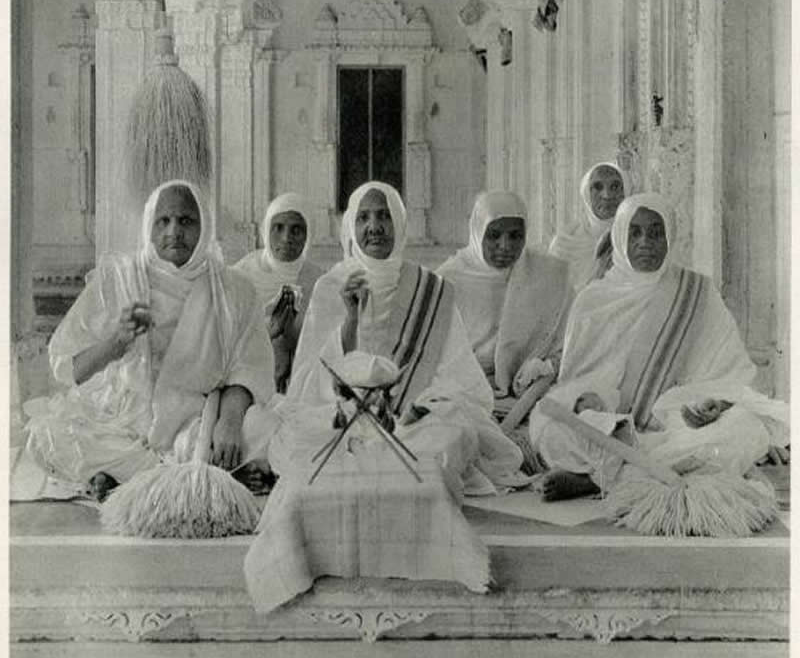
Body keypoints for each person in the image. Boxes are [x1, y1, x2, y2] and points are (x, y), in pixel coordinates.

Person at [23, 180, 278, 501]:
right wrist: (115, 343)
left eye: (186, 221)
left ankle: (128, 479)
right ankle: (196, 477)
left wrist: (228, 421)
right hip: (119, 420)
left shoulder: (234, 290)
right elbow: (68, 368)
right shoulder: (117, 279)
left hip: (195, 419)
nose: (174, 231)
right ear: (149, 225)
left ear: (205, 227)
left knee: (268, 430)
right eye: (164, 221)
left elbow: (249, 368)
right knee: (47, 436)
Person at [271, 181, 527, 496]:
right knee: (289, 435)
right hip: (346, 412)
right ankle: (390, 469)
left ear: (400, 222)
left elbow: (461, 379)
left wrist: (424, 403)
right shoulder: (331, 286)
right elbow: (310, 386)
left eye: (384, 216)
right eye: (364, 218)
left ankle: (379, 468)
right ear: (352, 226)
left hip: (413, 418)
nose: (375, 227)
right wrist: (350, 320)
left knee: (454, 430)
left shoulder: (430, 288)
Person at [529, 193, 790, 501]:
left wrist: (709, 404)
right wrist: (592, 400)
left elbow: (729, 375)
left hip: (676, 425)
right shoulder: (593, 299)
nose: (645, 242)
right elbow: (576, 379)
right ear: (619, 236)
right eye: (635, 232)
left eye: (656, 232)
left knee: (745, 429)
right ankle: (643, 470)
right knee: (547, 425)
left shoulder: (696, 293)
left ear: (670, 237)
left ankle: (600, 478)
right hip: (610, 421)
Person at [437, 191, 572, 411]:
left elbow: (569, 343)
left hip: (532, 390)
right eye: (494, 235)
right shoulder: (448, 281)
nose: (505, 245)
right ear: (477, 232)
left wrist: (545, 367)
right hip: (461, 390)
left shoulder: (549, 275)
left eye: (515, 236)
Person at [233, 192, 323, 393]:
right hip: (247, 380)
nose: (286, 238)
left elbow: (325, 344)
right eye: (278, 228)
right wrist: (269, 332)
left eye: (296, 230)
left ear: (309, 235)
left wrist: (294, 335)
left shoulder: (319, 280)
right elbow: (226, 342)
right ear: (266, 230)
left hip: (305, 383)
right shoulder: (240, 276)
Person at [548, 161, 628, 291]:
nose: (607, 195)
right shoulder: (564, 243)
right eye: (597, 187)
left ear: (626, 192)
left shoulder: (635, 238)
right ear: (586, 193)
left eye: (615, 186)